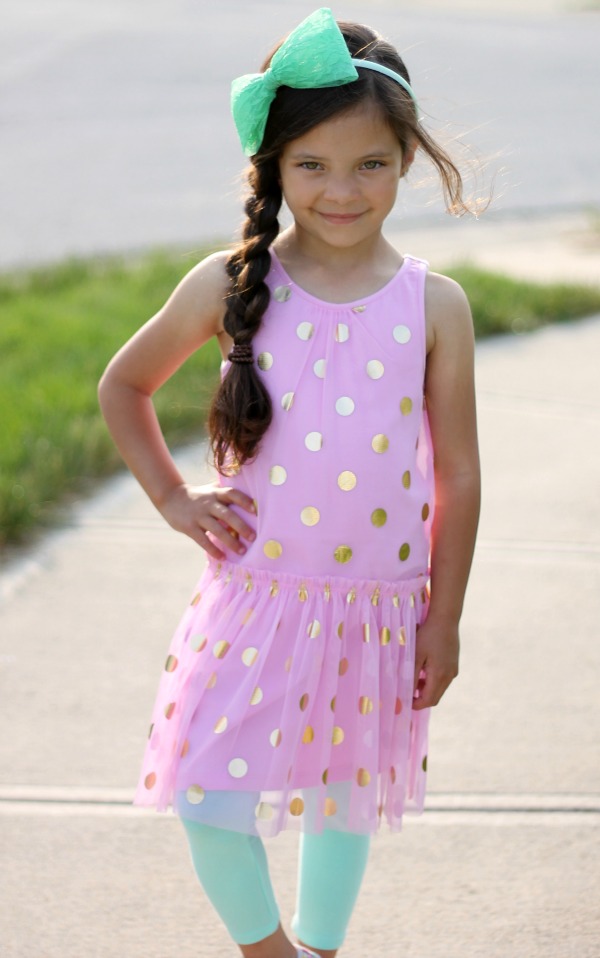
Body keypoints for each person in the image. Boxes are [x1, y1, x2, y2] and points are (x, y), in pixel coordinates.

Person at [98, 8, 481, 958]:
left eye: (370, 164)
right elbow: (124, 386)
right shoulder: (230, 285)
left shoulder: (434, 305)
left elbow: (460, 474)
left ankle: (322, 947)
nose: (342, 191)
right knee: (205, 793)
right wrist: (173, 499)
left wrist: (444, 618)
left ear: (408, 158)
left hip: (378, 608)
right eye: (312, 165)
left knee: (342, 800)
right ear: (273, 166)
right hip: (255, 598)